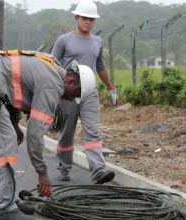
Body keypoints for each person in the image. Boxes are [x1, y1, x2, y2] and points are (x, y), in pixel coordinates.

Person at [0, 50, 96, 220]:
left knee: (6, 143)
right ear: (71, 81)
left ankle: (7, 200)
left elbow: (12, 85)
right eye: (76, 95)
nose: (72, 100)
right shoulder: (52, 85)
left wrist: (15, 124)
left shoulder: (52, 67)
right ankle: (3, 209)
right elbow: (35, 135)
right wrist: (42, 173)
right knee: (3, 148)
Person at [51, 0, 118, 184]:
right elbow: (52, 64)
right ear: (76, 18)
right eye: (85, 18)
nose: (88, 22)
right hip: (69, 93)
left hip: (90, 92)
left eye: (91, 19)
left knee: (93, 132)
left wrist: (110, 87)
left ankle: (98, 170)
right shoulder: (64, 40)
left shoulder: (97, 41)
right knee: (66, 132)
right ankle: (64, 167)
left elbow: (100, 66)